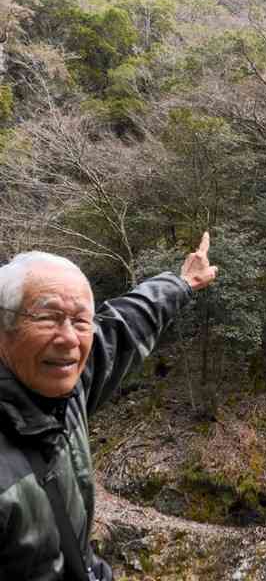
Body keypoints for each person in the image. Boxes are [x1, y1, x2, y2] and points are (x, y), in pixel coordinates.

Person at [0, 233, 217, 580]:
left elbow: (124, 326)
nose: (69, 338)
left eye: (80, 320)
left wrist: (182, 283)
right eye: (47, 317)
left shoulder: (65, 388)